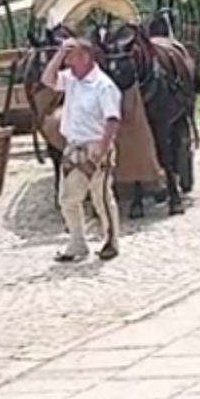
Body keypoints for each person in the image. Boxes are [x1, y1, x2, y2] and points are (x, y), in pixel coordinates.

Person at [40, 32, 121, 262]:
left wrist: (102, 151)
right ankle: (77, 243)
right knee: (68, 199)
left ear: (85, 57)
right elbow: (47, 79)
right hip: (74, 147)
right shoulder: (71, 79)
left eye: (71, 57)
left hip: (95, 145)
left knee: (101, 197)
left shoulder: (103, 86)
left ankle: (111, 241)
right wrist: (59, 53)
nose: (67, 62)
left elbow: (112, 120)